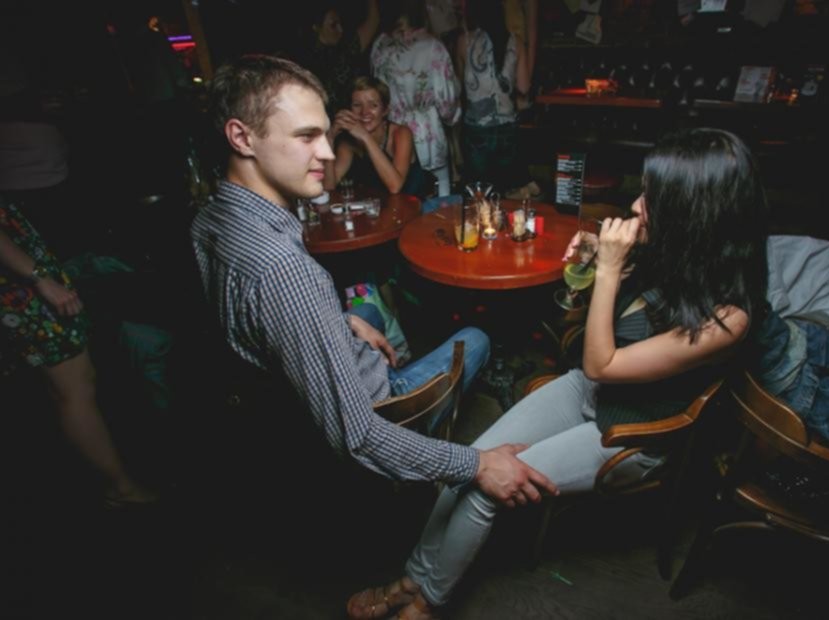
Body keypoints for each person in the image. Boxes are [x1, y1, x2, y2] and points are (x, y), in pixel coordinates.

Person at [345, 128, 770, 619]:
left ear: (694, 214)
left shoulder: (728, 319)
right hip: (588, 390)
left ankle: (425, 603)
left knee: (486, 492)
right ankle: (410, 580)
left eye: (652, 199)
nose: (636, 206)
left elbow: (602, 361)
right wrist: (593, 263)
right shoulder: (670, 250)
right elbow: (590, 343)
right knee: (471, 465)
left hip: (629, 432)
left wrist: (609, 271)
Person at [190, 55, 557, 512]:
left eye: (325, 134)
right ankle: (415, 449)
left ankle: (369, 334)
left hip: (285, 394)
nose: (326, 152)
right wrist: (477, 464)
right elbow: (358, 435)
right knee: (477, 336)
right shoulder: (283, 270)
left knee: (365, 309)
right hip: (378, 410)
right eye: (306, 136)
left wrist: (341, 320)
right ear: (242, 137)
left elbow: (259, 321)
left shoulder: (210, 219)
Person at [0, 198, 155, 509]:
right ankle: (120, 489)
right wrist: (39, 278)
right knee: (73, 390)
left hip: (19, 273)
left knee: (73, 385)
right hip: (18, 285)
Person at [371, 0, 460, 196]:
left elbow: (375, 93)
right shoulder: (433, 47)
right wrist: (453, 118)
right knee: (438, 199)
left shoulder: (379, 45)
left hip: (391, 136)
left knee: (397, 198)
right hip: (426, 136)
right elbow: (447, 104)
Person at [455, 1, 529, 191]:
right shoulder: (516, 42)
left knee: (479, 193)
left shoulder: (464, 41)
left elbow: (459, 87)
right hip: (507, 127)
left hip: (476, 128)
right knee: (506, 191)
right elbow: (524, 86)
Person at [324, 76, 428, 198]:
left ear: (385, 110)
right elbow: (328, 188)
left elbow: (395, 186)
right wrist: (329, 139)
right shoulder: (348, 143)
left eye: (373, 105)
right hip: (378, 207)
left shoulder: (401, 134)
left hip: (413, 205)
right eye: (357, 105)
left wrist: (365, 136)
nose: (364, 112)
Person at [293, 0, 380, 116]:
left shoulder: (346, 48)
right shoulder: (300, 61)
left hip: (353, 120)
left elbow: (373, 21)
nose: (340, 30)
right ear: (316, 27)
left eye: (340, 24)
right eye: (333, 25)